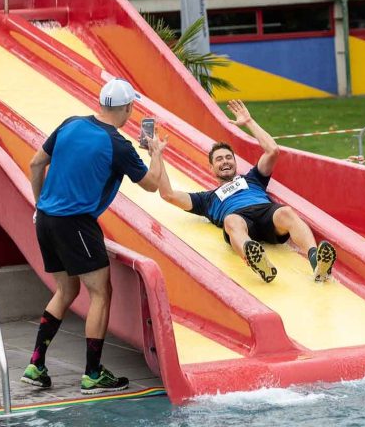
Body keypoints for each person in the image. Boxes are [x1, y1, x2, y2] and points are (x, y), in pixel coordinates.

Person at [21, 78, 165, 394]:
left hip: (45, 219)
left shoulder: (70, 123)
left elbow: (35, 163)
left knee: (66, 289)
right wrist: (156, 152)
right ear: (127, 108)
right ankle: (93, 373)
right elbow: (152, 184)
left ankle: (36, 364)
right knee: (101, 292)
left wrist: (40, 203)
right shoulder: (119, 145)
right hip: (76, 224)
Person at [158, 99, 336, 283]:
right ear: (211, 168)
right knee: (231, 220)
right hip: (240, 221)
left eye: (229, 157)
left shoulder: (252, 178)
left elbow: (273, 151)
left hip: (265, 212)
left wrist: (249, 122)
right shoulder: (207, 199)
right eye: (219, 159)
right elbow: (168, 195)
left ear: (235, 163)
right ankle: (257, 260)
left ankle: (317, 262)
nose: (225, 161)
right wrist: (157, 156)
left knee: (286, 211)